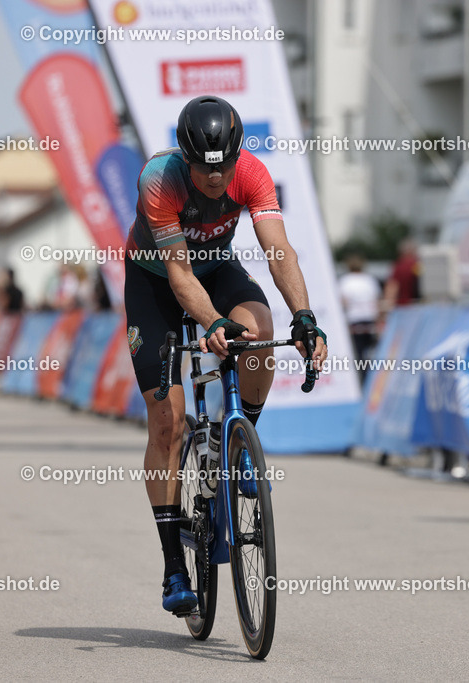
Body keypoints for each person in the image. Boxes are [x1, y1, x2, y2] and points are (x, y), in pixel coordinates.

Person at [124, 95, 327, 615]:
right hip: (156, 281)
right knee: (167, 421)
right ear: (186, 158)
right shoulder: (160, 180)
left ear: (237, 156)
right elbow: (179, 275)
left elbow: (278, 251)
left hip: (216, 267)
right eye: (204, 169)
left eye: (224, 168)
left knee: (259, 330)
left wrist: (304, 316)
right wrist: (212, 321)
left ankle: (237, 445)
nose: (216, 179)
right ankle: (174, 565)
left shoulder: (252, 173)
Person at [338, 253, 380, 374]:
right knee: (370, 349)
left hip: (354, 319)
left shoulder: (345, 281)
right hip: (369, 318)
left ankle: (362, 374)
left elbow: (344, 301)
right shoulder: (369, 280)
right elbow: (376, 300)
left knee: (358, 350)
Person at [383, 238, 421, 309]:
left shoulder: (399, 266)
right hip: (419, 306)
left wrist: (386, 307)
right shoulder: (419, 265)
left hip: (403, 307)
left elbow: (392, 288)